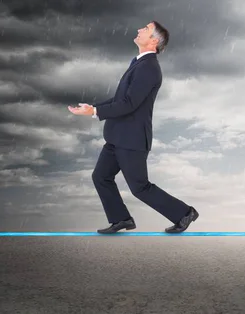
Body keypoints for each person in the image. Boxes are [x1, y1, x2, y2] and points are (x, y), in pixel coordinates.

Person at [68, 20, 199, 234]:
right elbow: (120, 98)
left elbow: (129, 104)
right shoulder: (138, 63)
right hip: (117, 137)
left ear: (154, 41)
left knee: (140, 187)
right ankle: (121, 219)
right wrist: (93, 107)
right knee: (101, 176)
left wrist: (94, 113)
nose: (140, 30)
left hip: (132, 139)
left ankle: (185, 213)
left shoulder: (149, 68)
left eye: (145, 29)